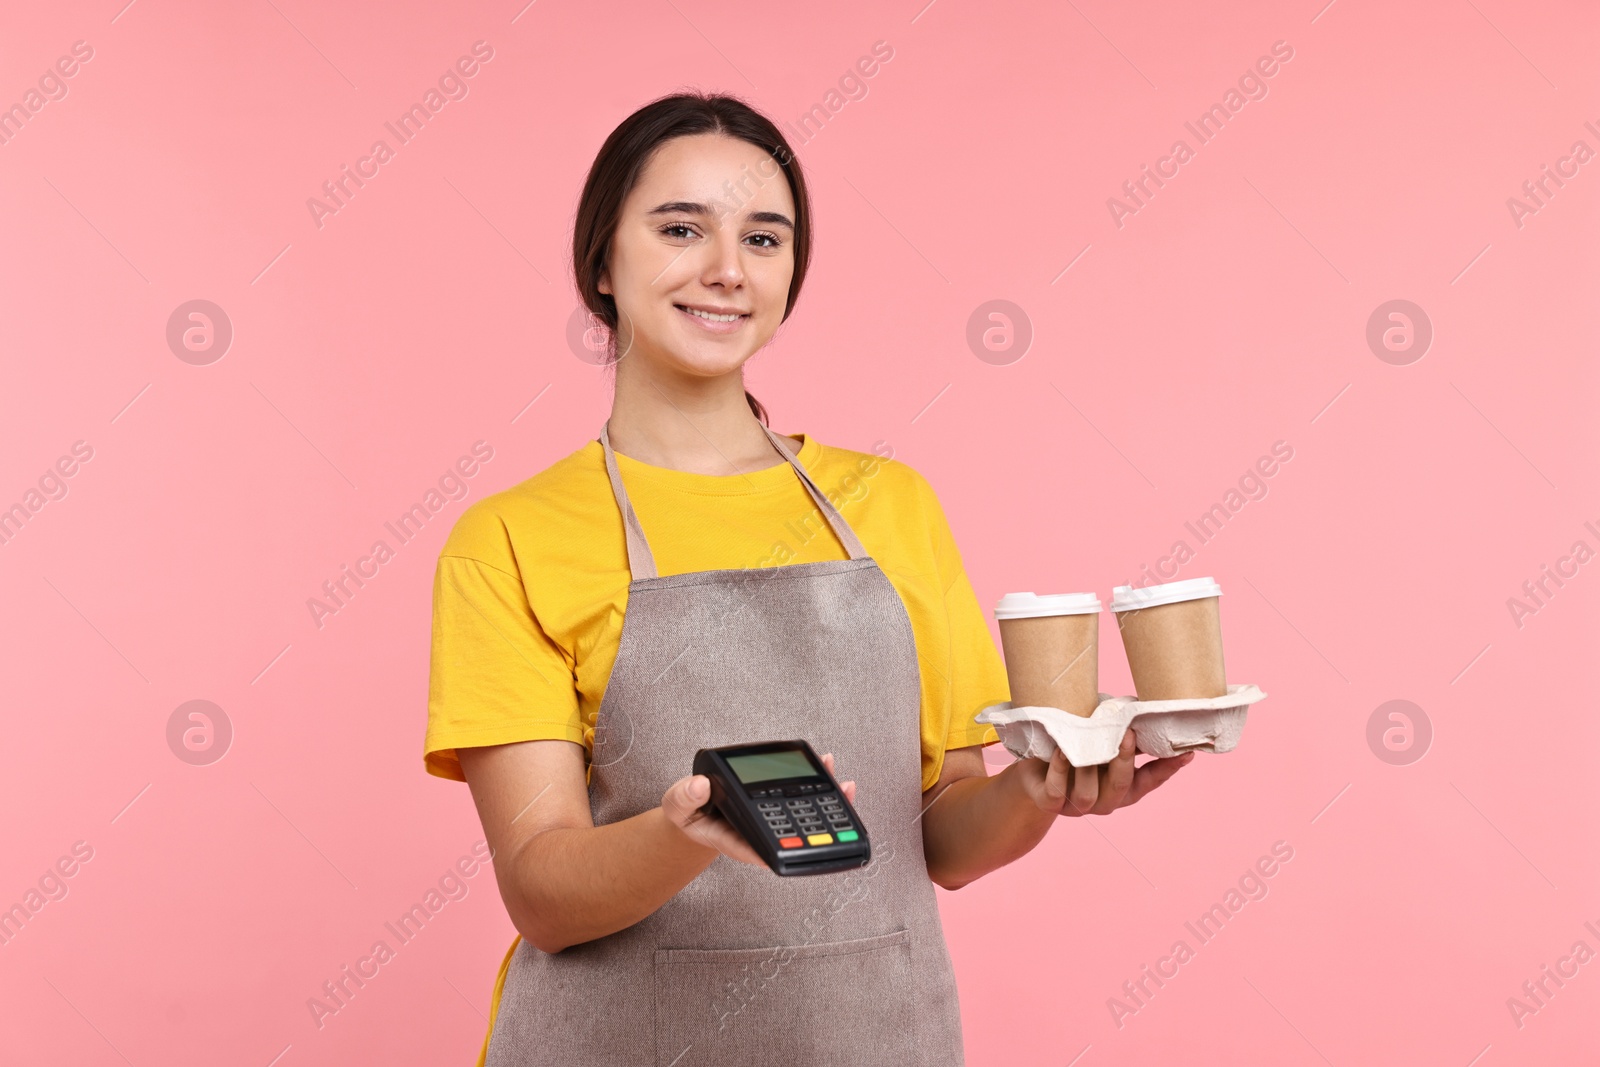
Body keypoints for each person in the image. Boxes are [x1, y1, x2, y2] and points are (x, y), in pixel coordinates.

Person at [424, 91, 1194, 1066]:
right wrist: (687, 829)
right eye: (678, 228)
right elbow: (542, 891)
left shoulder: (890, 504)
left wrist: (1045, 784)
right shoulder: (510, 537)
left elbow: (944, 838)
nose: (725, 270)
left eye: (764, 237)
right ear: (601, 261)